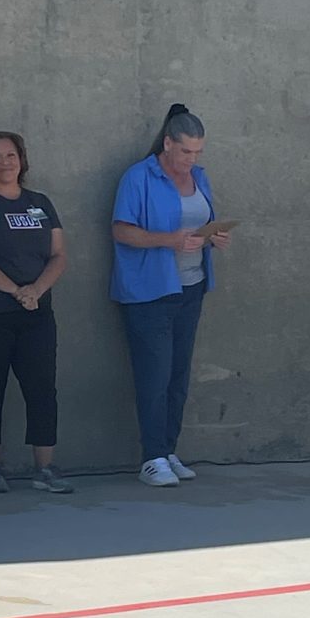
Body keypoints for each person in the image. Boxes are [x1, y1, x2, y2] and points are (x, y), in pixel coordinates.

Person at [110, 104, 231, 487]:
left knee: (179, 374)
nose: (190, 160)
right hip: (149, 292)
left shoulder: (200, 178)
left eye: (197, 153)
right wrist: (169, 241)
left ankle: (168, 449)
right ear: (167, 144)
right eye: (184, 152)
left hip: (191, 287)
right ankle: (152, 457)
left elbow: (199, 226)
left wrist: (214, 238)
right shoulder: (138, 177)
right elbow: (121, 230)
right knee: (154, 375)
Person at [0, 131, 72, 494]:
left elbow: (59, 255)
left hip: (36, 312)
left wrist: (36, 290)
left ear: (22, 160)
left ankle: (45, 469)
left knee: (42, 389)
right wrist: (16, 291)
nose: (5, 163)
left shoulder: (40, 203)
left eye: (11, 156)